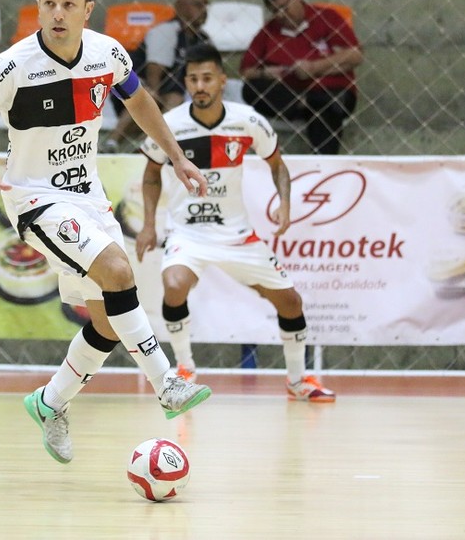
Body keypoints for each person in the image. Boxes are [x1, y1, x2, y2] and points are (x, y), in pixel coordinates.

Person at [0, 0, 213, 464]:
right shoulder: (13, 65)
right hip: (33, 197)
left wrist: (177, 157)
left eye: (69, 4)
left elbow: (141, 103)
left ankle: (50, 403)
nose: (58, 14)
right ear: (38, 6)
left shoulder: (107, 52)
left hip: (86, 195)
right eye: (49, 4)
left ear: (88, 10)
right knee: (118, 270)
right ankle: (166, 383)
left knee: (110, 320)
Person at [136, 42, 335, 403]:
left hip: (237, 235)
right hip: (188, 232)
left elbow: (278, 166)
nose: (200, 86)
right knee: (174, 282)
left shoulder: (248, 121)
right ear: (186, 82)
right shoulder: (170, 125)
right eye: (193, 79)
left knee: (291, 302)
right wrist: (149, 224)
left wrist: (285, 204)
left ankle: (298, 380)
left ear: (222, 81)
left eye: (207, 78)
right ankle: (184, 370)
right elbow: (151, 174)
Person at [239, 0, 362, 155]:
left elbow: (355, 55)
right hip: (291, 98)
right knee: (251, 89)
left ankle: (322, 165)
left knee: (327, 107)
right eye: (275, 11)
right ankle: (306, 104)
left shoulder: (326, 17)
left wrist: (314, 68)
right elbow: (246, 71)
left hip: (331, 92)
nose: (281, 15)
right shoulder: (268, 31)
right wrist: (265, 72)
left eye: (284, 7)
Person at [103, 0, 212, 152]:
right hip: (132, 84)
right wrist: (154, 98)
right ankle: (112, 141)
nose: (204, 10)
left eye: (205, 5)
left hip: (169, 90)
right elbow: (154, 70)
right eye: (198, 5)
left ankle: (147, 144)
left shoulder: (203, 39)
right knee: (147, 95)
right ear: (181, 7)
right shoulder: (166, 31)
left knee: (175, 99)